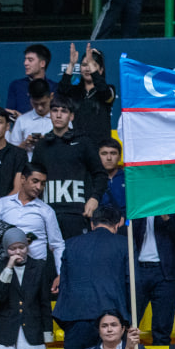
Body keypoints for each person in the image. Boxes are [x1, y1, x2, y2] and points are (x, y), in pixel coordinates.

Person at [52, 204, 129, 349]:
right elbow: (133, 284)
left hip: (75, 318)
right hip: (112, 318)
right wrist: (126, 320)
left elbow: (64, 284)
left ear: (92, 224)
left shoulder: (71, 244)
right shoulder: (124, 243)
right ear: (117, 224)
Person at [32, 95, 107, 243]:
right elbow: (33, 178)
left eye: (64, 111)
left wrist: (95, 198)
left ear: (71, 116)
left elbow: (100, 174)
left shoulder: (84, 142)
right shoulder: (41, 145)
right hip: (48, 214)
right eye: (55, 110)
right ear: (50, 114)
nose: (59, 115)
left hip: (77, 214)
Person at [0, 162, 66, 282]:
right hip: (5, 266)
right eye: (35, 181)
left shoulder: (46, 210)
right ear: (23, 179)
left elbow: (57, 245)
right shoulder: (2, 204)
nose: (39, 187)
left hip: (36, 271)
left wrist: (61, 274)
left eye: (42, 183)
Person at [133, 212, 175, 347]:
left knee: (162, 328)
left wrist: (167, 219)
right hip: (138, 270)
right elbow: (127, 235)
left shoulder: (173, 206)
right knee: (130, 323)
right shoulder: (138, 206)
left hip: (166, 271)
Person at [58, 45, 117, 149]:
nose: (88, 68)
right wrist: (71, 64)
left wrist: (91, 66)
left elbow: (104, 91)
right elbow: (61, 91)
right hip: (77, 146)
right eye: (84, 65)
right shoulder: (75, 91)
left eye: (92, 65)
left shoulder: (109, 89)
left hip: (100, 148)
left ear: (101, 70)